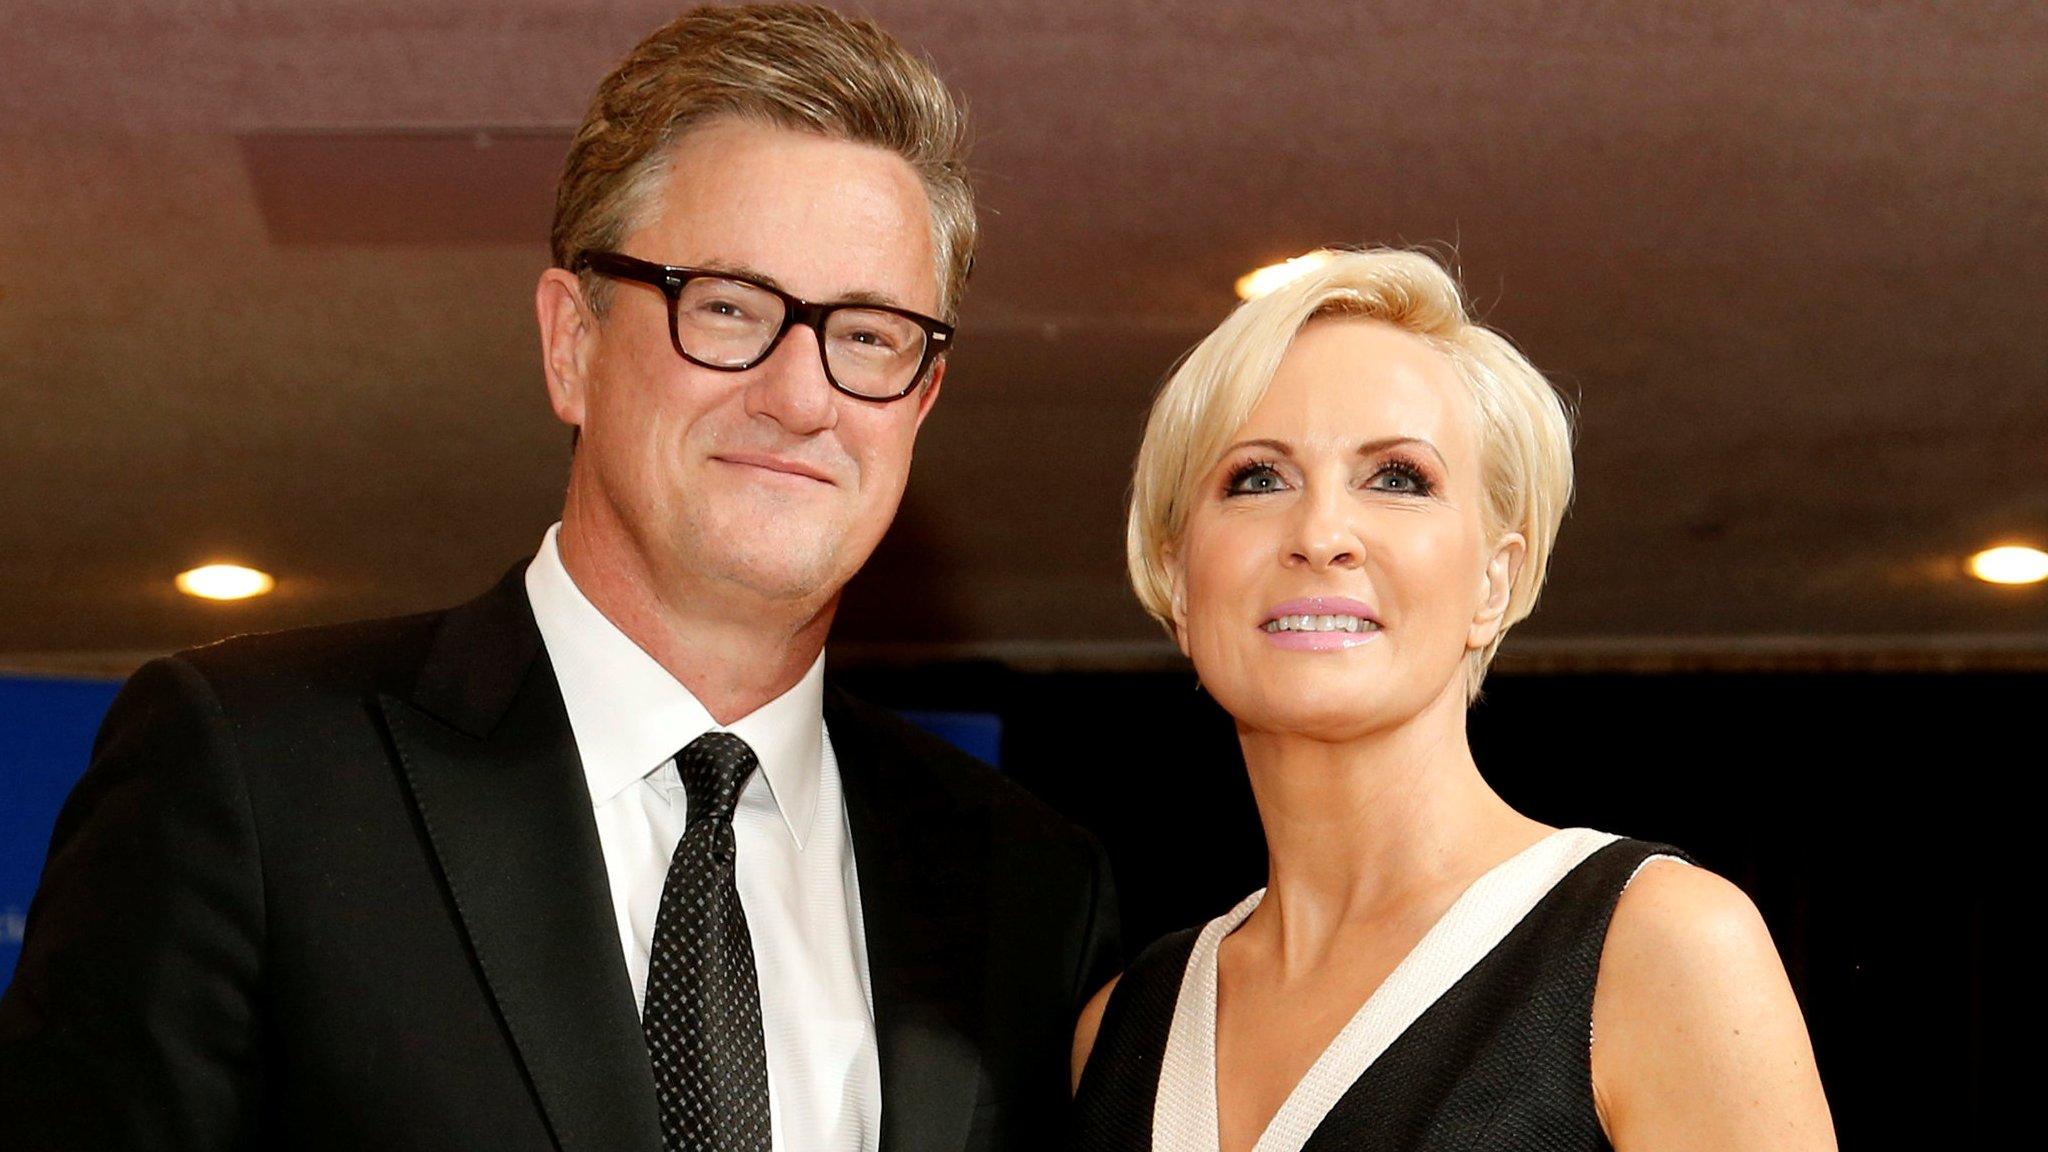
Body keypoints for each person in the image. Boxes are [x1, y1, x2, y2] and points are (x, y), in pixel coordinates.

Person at [0, 6, 1119, 1150]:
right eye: (727, 309)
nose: (800, 395)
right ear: (570, 346)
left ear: (920, 399)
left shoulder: (1026, 888)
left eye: (871, 335)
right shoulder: (250, 776)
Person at [1070, 249, 1834, 1151]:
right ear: (1178, 579)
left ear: (1493, 584)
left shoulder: (1657, 947)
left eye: (1398, 479)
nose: (1320, 534)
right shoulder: (1118, 1033)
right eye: (1257, 478)